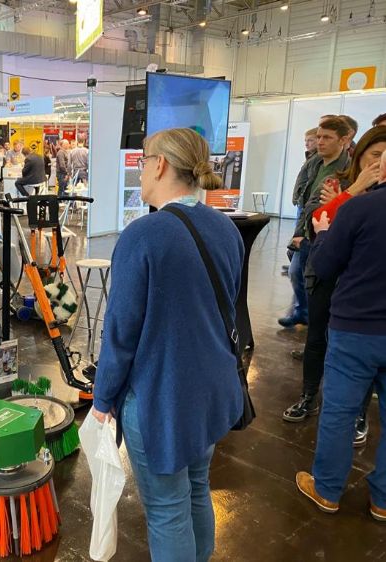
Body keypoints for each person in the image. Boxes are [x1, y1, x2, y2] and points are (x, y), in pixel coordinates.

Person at [92, 128, 243, 562]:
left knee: (166, 508)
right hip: (212, 389)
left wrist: (103, 398)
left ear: (159, 165)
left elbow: (120, 332)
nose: (140, 171)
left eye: (143, 161)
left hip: (161, 397)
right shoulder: (226, 227)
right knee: (196, 487)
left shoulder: (143, 235)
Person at [296, 149, 386, 521]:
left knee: (339, 412)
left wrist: (322, 235)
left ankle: (328, 489)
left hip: (355, 329)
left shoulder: (360, 208)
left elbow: (324, 264)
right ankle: (383, 500)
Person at [282, 126, 386, 437]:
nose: (381, 162)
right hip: (327, 270)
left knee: (360, 352)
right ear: (361, 154)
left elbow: (333, 218)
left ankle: (359, 414)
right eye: (376, 154)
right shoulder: (338, 180)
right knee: (316, 336)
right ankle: (309, 396)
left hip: (363, 282)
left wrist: (340, 203)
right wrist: (355, 189)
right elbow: (317, 219)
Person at [280, 117, 350, 328]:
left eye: (327, 137)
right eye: (318, 137)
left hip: (328, 232)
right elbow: (305, 199)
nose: (320, 142)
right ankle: (303, 312)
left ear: (343, 140)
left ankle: (317, 320)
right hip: (307, 227)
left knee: (318, 279)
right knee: (296, 272)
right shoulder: (314, 163)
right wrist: (299, 231)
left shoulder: (348, 168)